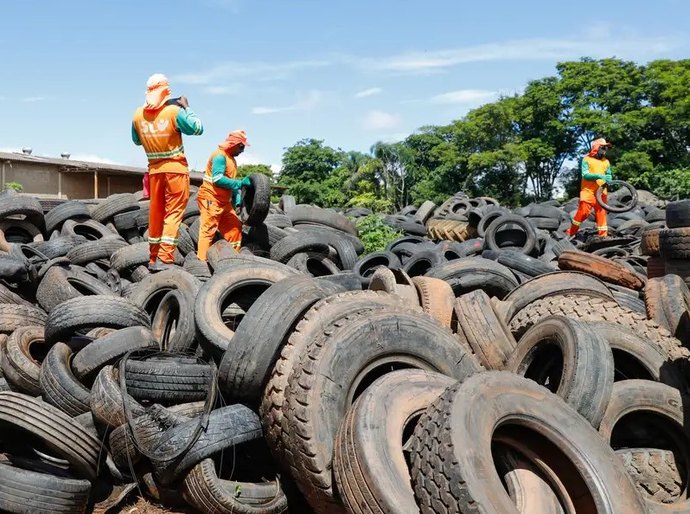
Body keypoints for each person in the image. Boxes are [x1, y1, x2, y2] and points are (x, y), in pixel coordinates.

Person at [131, 73, 203, 272]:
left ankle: (153, 257)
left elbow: (136, 140)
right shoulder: (174, 112)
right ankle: (165, 256)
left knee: (156, 214)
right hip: (175, 171)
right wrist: (187, 107)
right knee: (173, 213)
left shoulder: (137, 115)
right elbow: (198, 128)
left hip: (154, 172)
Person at [196, 130, 252, 261]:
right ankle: (201, 264)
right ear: (235, 144)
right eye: (242, 146)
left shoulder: (231, 159)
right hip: (211, 198)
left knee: (235, 227)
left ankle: (232, 259)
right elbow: (218, 179)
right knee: (208, 230)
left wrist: (238, 197)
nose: (243, 150)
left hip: (224, 201)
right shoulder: (220, 156)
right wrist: (240, 184)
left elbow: (230, 182)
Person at [565, 138, 613, 238]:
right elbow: (585, 175)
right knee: (583, 213)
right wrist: (599, 176)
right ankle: (571, 232)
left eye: (606, 148)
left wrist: (609, 178)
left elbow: (609, 175)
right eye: (603, 147)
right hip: (588, 191)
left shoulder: (606, 162)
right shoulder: (586, 159)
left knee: (601, 214)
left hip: (601, 192)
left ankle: (603, 237)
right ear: (597, 148)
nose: (605, 150)